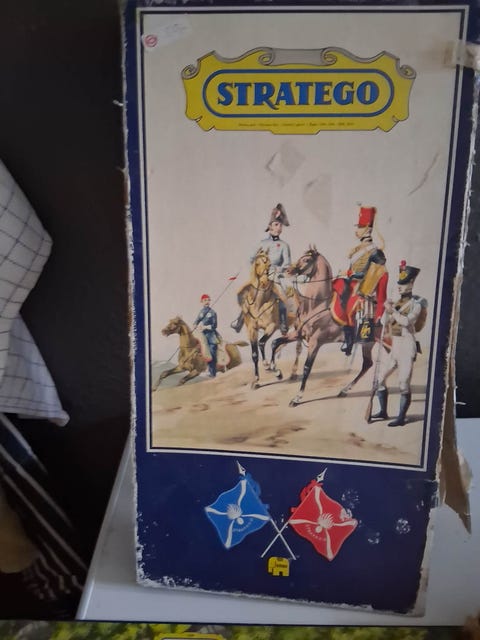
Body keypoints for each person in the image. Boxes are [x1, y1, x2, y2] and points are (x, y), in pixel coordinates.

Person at [332, 206, 388, 356]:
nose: (357, 230)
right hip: (351, 284)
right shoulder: (356, 250)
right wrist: (346, 274)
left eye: (360, 227)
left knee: (349, 307)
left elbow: (371, 273)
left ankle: (349, 339)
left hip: (363, 288)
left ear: (368, 230)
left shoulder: (375, 251)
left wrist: (350, 273)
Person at [372, 262, 422, 427]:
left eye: (404, 283)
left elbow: (406, 321)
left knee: (403, 383)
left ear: (412, 283)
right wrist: (387, 310)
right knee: (380, 379)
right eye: (399, 283)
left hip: (407, 347)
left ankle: (401, 418)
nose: (400, 286)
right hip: (395, 347)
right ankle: (383, 411)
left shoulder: (416, 304)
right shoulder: (396, 302)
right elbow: (383, 322)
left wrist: (392, 310)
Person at [231, 203, 291, 335]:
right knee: (246, 294)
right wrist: (255, 271)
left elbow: (287, 264)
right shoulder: (261, 244)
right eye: (276, 224)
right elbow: (251, 259)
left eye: (280, 225)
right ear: (270, 226)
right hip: (259, 276)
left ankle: (282, 322)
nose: (279, 227)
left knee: (282, 296)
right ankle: (239, 320)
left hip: (274, 277)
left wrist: (278, 270)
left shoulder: (284, 246)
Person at [193, 294, 218, 378]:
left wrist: (204, 327)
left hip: (211, 335)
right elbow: (197, 320)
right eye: (205, 300)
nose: (207, 302)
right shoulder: (201, 312)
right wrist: (195, 324)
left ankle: (212, 372)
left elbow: (214, 325)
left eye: (208, 300)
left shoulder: (213, 312)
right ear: (202, 302)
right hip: (203, 335)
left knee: (212, 352)